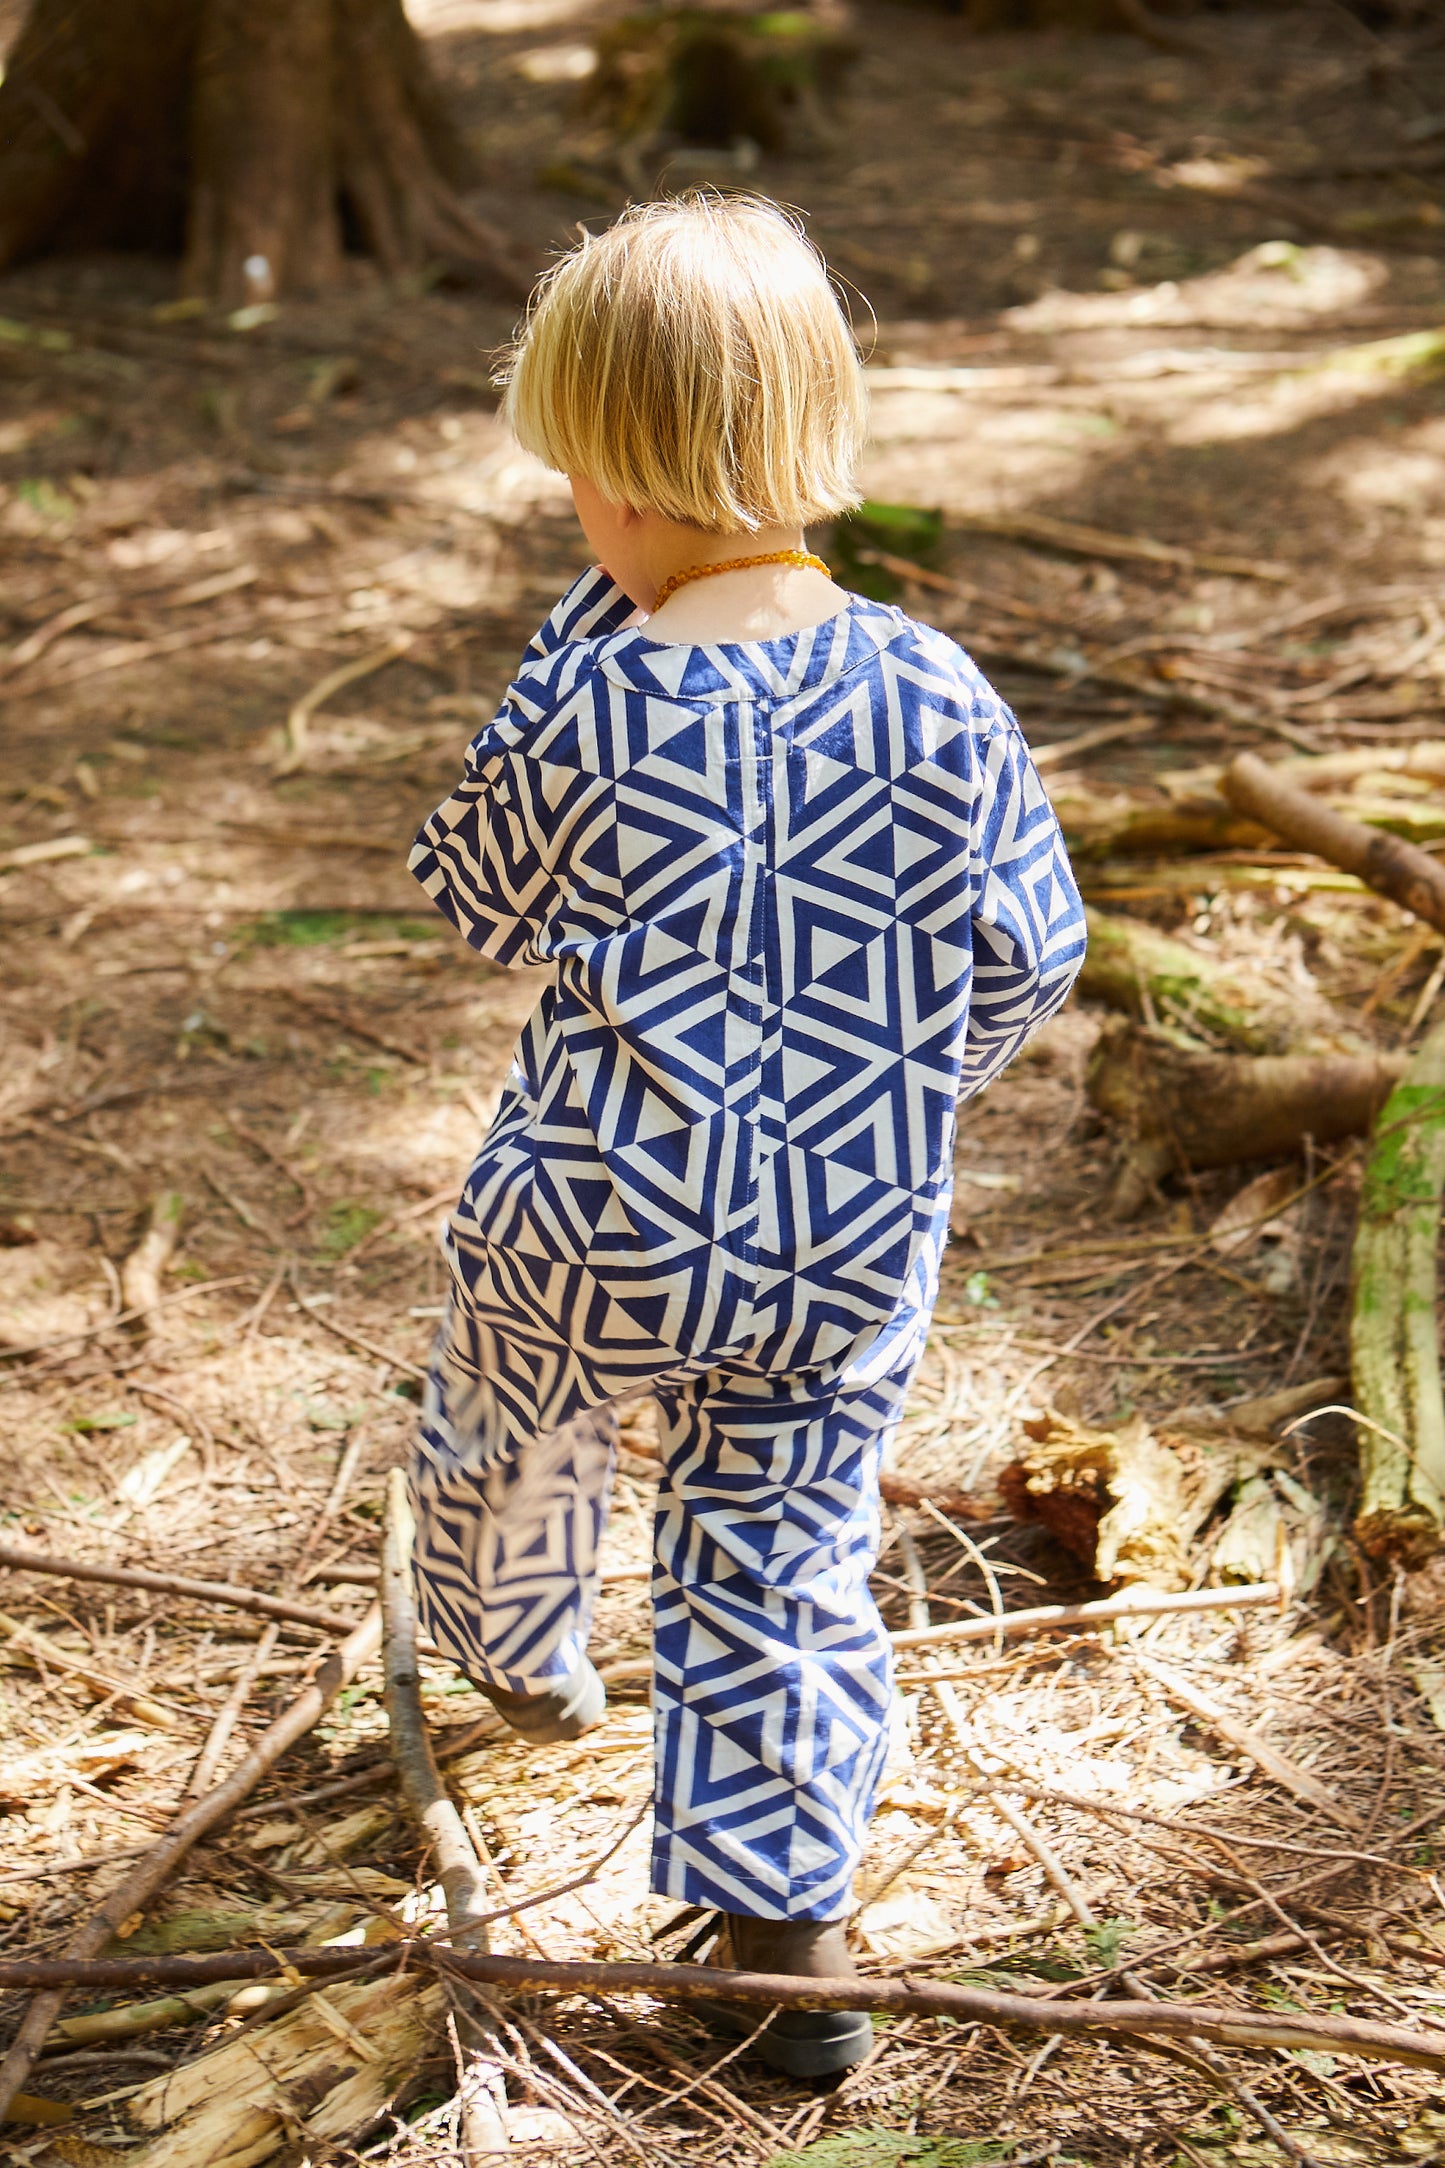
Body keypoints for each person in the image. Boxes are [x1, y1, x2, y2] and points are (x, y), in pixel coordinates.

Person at [407, 192, 1086, 2079]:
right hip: (840, 1234)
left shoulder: (599, 687)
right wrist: (890, 1090)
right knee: (779, 1547)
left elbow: (476, 899)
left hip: (599, 1208)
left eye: (574, 484)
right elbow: (1033, 950)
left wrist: (559, 675)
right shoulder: (938, 688)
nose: (571, 520)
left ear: (623, 484)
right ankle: (779, 1940)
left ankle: (520, 1631)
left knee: (508, 1400)